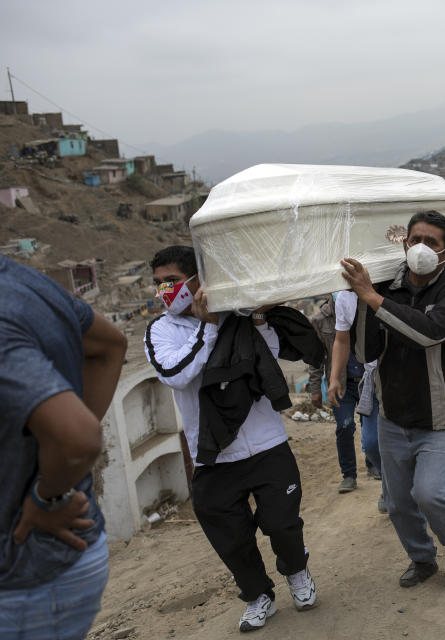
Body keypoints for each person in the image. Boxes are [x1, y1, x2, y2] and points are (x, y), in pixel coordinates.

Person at [145, 246, 318, 632]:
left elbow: (269, 357)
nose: (164, 291)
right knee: (231, 538)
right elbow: (176, 374)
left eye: (171, 281)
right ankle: (259, 597)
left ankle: (297, 571)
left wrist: (255, 318)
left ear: (196, 281)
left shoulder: (238, 318)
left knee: (283, 524)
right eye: (158, 284)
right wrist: (207, 328)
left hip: (266, 443)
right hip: (213, 455)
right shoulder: (160, 330)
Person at [342, 210, 445, 587]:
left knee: (429, 493)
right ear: (403, 243)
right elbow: (366, 352)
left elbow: (430, 332)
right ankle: (422, 557)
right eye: (414, 239)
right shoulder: (387, 287)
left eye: (431, 242)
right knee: (399, 502)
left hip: (438, 415)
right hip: (393, 415)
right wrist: (365, 300)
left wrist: (372, 297)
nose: (420, 248)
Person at [0, 255, 126, 640]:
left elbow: (78, 439)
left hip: (28, 578)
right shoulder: (25, 281)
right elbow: (110, 346)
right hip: (57, 567)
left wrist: (49, 493)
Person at [322, 290, 384, 509]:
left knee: (381, 439)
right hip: (355, 382)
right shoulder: (339, 304)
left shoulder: (386, 293)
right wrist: (332, 379)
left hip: (382, 378)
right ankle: (355, 475)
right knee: (355, 433)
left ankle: (389, 483)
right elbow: (338, 342)